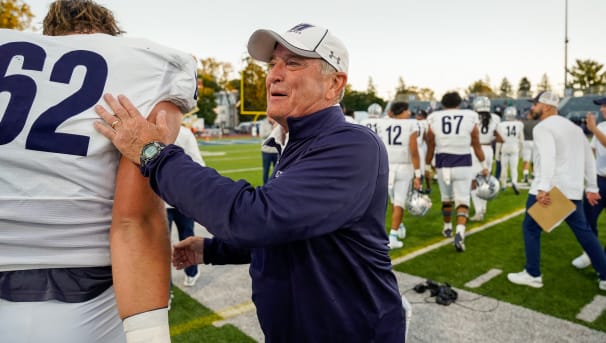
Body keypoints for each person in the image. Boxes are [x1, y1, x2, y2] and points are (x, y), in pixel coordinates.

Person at [94, 23, 407, 341]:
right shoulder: (298, 143)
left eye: (293, 62)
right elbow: (291, 233)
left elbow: (257, 218)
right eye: (273, 64)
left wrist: (153, 154)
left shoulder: (352, 144)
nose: (274, 74)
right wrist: (214, 250)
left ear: (334, 83)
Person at [0, 1, 198, 342]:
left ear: (50, 35)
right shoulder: (148, 62)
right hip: (92, 282)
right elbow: (136, 215)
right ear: (108, 32)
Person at [507, 91, 606, 291]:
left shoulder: (543, 127)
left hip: (552, 189)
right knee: (585, 233)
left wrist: (543, 188)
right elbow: (589, 158)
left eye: (535, 104)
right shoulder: (574, 128)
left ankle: (533, 274)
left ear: (546, 106)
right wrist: (592, 187)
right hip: (572, 189)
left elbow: (548, 157)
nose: (532, 108)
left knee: (531, 228)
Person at [426, 91, 489, 252]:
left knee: (446, 198)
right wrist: (483, 165)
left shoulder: (434, 117)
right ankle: (460, 233)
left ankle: (447, 227)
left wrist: (427, 166)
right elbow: (476, 143)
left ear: (443, 103)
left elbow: (431, 145)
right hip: (463, 163)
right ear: (459, 103)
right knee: (463, 201)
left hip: (443, 163)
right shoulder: (469, 116)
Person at [167, 126, 205, 287]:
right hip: (180, 197)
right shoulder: (184, 132)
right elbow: (198, 165)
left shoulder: (183, 132)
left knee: (161, 245)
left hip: (162, 199)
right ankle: (191, 273)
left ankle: (165, 290)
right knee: (186, 237)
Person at [380, 101, 421, 249]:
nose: (409, 113)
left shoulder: (383, 123)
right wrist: (418, 174)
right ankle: (393, 236)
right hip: (404, 167)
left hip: (387, 167)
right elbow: (414, 151)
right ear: (402, 111)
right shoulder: (411, 124)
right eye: (407, 110)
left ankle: (399, 225)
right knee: (399, 202)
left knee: (393, 200)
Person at [572, 97, 606, 269]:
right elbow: (592, 151)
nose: (601, 110)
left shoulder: (597, 128)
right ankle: (590, 253)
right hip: (600, 180)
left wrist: (592, 129)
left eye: (604, 106)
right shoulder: (601, 127)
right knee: (588, 219)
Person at [469, 96, 503, 221]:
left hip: (475, 150)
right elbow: (499, 137)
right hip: (489, 150)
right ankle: (483, 208)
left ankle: (479, 211)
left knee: (474, 182)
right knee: (485, 180)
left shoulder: (471, 117)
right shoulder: (496, 118)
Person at [495, 106, 523, 194]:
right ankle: (514, 182)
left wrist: (497, 153)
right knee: (514, 168)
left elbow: (499, 141)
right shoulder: (519, 124)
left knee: (504, 167)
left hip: (504, 147)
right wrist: (521, 150)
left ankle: (503, 185)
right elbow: (521, 140)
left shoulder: (500, 125)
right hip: (514, 146)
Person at [259, 117, 280, 184]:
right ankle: (265, 187)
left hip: (276, 151)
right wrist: (273, 130)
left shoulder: (278, 121)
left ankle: (275, 186)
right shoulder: (263, 123)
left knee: (276, 171)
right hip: (266, 151)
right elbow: (262, 135)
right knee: (266, 171)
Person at [521, 111, 539, 184]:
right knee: (534, 160)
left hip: (526, 141)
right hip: (534, 142)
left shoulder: (524, 123)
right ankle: (534, 174)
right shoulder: (537, 123)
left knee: (526, 160)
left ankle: (525, 174)